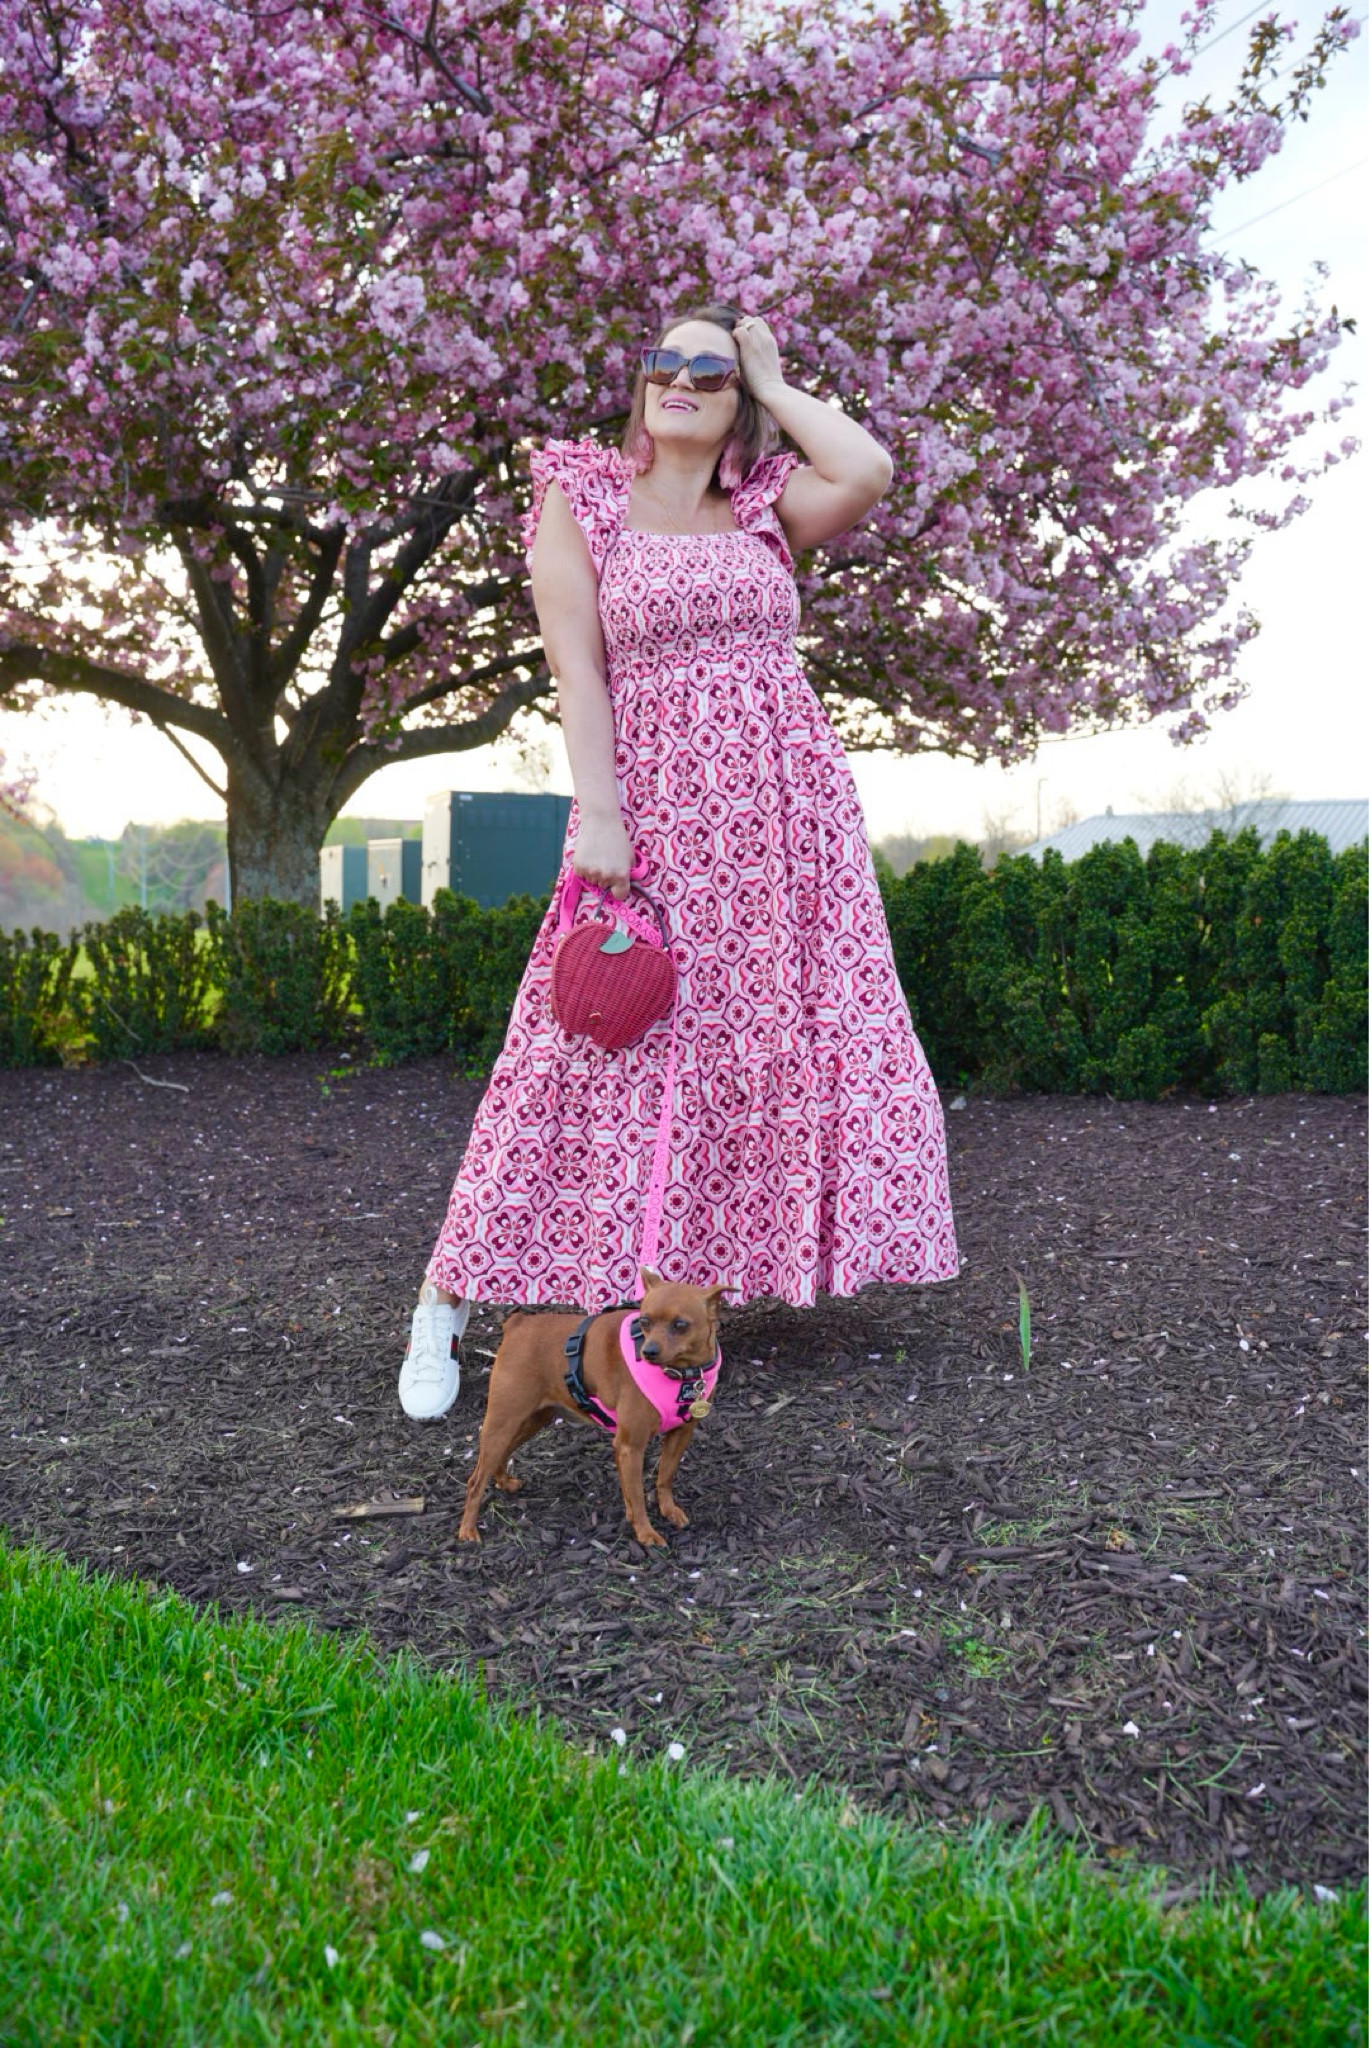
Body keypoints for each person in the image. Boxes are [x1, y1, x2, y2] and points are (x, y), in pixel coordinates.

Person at [399, 302, 959, 1420]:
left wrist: (775, 377)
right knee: (575, 1049)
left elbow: (868, 466)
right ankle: (443, 1302)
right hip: (652, 815)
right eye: (667, 361)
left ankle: (684, 1298)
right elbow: (577, 669)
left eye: (710, 369)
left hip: (785, 827)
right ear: (641, 385)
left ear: (736, 397)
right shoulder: (584, 495)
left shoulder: (764, 505)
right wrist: (597, 813)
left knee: (756, 1044)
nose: (684, 379)